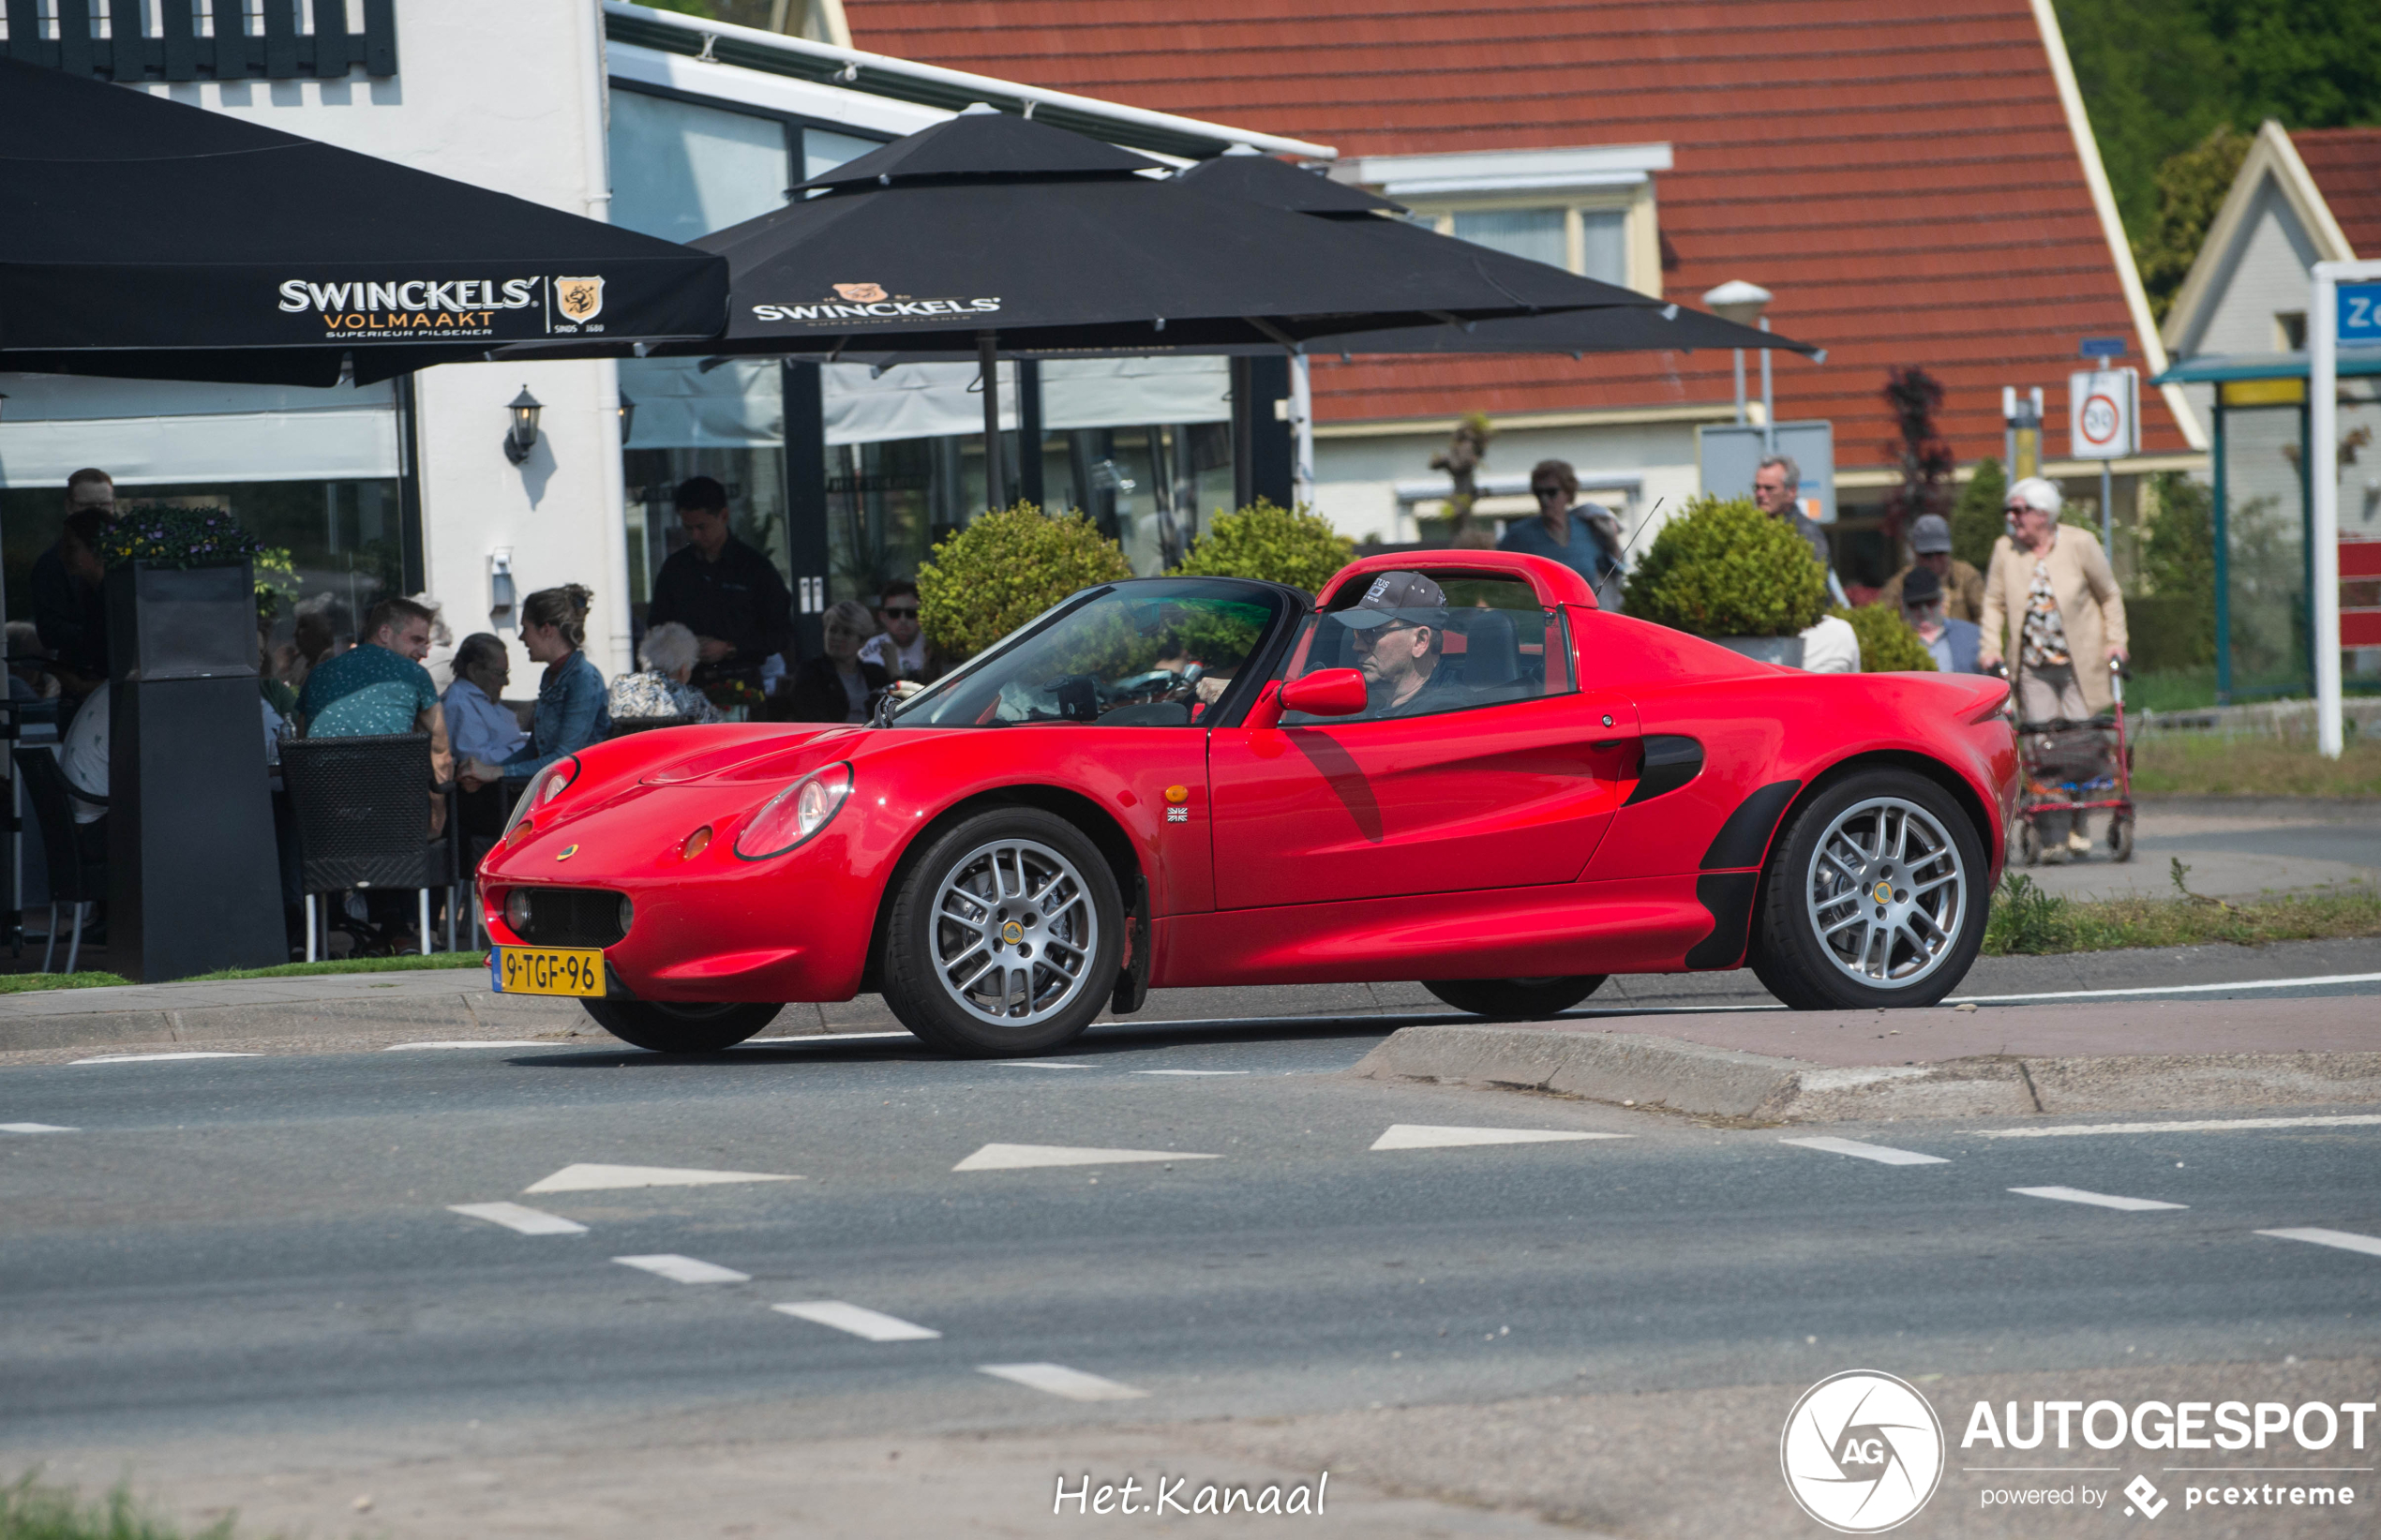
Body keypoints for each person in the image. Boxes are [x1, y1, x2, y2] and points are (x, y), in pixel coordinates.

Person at [1980, 476, 2129, 858]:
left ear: (2043, 514)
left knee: (2081, 742)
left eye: (2019, 510)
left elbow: (2108, 594)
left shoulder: (2080, 543)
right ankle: (2052, 836)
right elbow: (1994, 602)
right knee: (2041, 748)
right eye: (2010, 511)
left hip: (2080, 664)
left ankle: (2080, 822)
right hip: (2032, 666)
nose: (2012, 518)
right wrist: (1990, 647)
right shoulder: (2005, 550)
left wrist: (2117, 641)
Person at [297, 594, 456, 833]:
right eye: (416, 640)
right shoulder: (413, 673)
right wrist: (438, 818)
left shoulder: (318, 674)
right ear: (384, 633)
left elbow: (300, 745)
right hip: (393, 823)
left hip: (324, 825)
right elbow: (440, 753)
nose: (423, 652)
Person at [644, 476, 794, 689]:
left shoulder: (755, 568)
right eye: (688, 528)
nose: (695, 535)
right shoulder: (676, 569)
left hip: (741, 681)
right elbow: (656, 626)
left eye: (701, 527)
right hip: (688, 681)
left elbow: (781, 634)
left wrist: (731, 648)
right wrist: (685, 645)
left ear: (723, 516)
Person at [461, 585, 609, 785]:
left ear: (546, 630)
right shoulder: (551, 675)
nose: (521, 637)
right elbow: (534, 749)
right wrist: (489, 773)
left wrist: (496, 772)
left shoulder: (584, 678)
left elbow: (565, 759)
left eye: (525, 628)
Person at [1332, 571, 1463, 718]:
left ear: (1420, 641)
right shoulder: (1363, 702)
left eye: (1373, 632)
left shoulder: (1447, 714)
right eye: (1358, 632)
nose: (1357, 646)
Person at [1498, 460, 1626, 609]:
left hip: (1585, 619)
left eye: (1551, 492)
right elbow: (1501, 586)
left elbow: (1614, 570)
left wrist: (1612, 540)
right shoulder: (1518, 535)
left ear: (1568, 493)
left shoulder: (1589, 527)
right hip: (1539, 621)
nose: (1544, 499)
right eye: (1539, 493)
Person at [33, 488, 115, 706]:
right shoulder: (92, 592)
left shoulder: (114, 597)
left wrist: (80, 685)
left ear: (96, 549)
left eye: (71, 548)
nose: (63, 556)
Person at [1752, 454, 1848, 606]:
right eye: (1757, 487)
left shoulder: (1806, 534)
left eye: (1769, 488)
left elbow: (1816, 591)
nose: (1760, 494)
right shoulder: (1751, 531)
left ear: (1791, 492)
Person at [782, 600, 890, 724]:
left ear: (862, 641)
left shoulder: (875, 674)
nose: (837, 638)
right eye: (833, 630)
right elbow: (811, 718)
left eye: (847, 632)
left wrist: (895, 673)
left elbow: (895, 713)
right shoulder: (810, 673)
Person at [1877, 513, 1985, 623]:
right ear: (1913, 549)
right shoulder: (1901, 584)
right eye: (1926, 555)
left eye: (1940, 553)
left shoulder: (1966, 576)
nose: (1934, 561)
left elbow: (1984, 618)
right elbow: (1881, 620)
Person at [609, 621, 724, 724]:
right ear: (683, 670)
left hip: (629, 747)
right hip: (674, 747)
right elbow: (718, 733)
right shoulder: (694, 699)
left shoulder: (621, 685)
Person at [442, 633, 530, 765]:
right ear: (473, 671)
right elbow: (477, 761)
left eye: (506, 673)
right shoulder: (460, 703)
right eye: (499, 673)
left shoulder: (481, 697)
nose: (506, 682)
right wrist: (528, 748)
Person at [858, 578, 946, 683]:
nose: (903, 620)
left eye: (911, 613)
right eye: (894, 613)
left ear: (921, 615)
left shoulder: (935, 649)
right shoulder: (866, 652)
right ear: (882, 617)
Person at [1900, 566, 1982, 674]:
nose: (1924, 611)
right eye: (1914, 605)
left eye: (1930, 603)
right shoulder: (1895, 643)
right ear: (1903, 606)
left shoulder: (1973, 636)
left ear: (1942, 599)